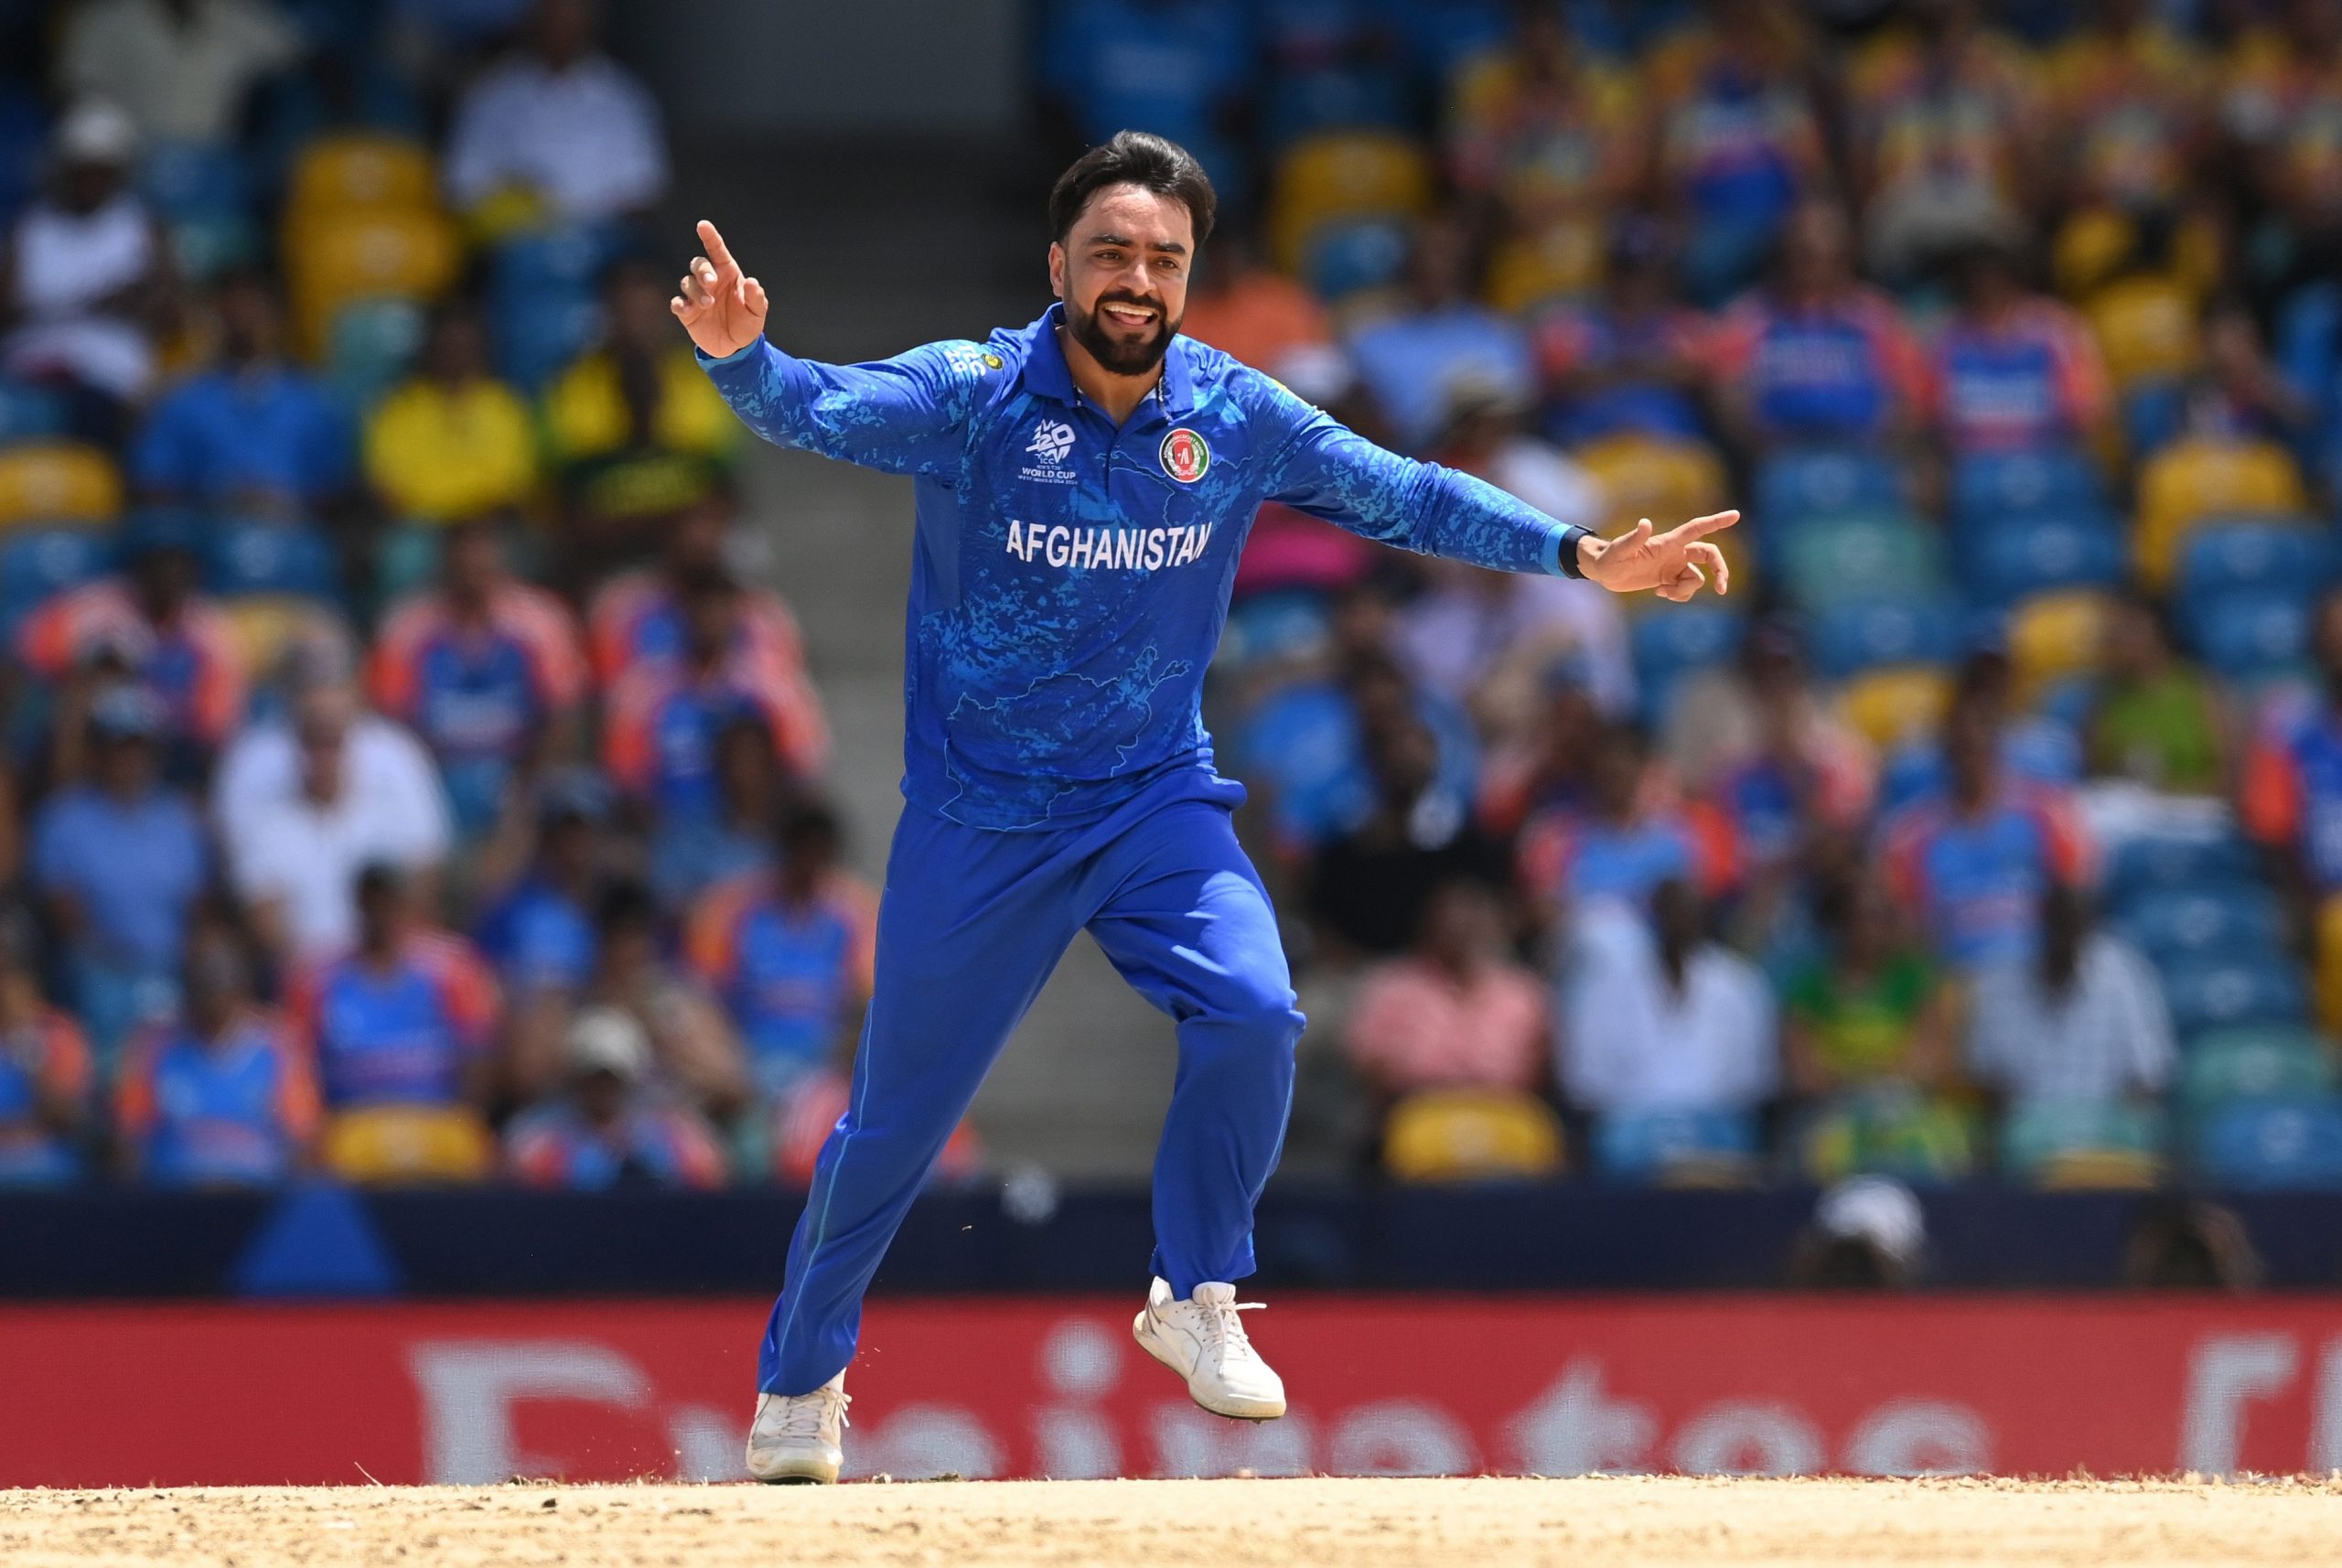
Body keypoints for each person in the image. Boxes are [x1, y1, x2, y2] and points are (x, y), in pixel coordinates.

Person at [666, 129, 1735, 1477]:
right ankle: (797, 1386)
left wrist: (1577, 553)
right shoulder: (978, 395)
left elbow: (1396, 493)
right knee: (893, 1131)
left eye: (1163, 258)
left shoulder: (1229, 414)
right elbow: (815, 405)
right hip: (980, 820)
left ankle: (1197, 1294)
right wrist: (740, 359)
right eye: (1111, 251)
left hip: (1152, 800)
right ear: (1057, 264)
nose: (1136, 277)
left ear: (1190, 280)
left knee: (1257, 1011)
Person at [367, 518, 591, 834]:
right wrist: (426, 788)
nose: (472, 563)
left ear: (501, 556)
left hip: (526, 774)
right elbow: (392, 724)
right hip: (436, 779)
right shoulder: (406, 626)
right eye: (462, 551)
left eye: (483, 550)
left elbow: (565, 717)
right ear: (445, 558)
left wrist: (524, 791)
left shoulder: (542, 620)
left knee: (579, 799)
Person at [30, 688, 209, 1057]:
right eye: (118, 746)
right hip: (100, 967)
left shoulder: (178, 817)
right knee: (103, 996)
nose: (130, 757)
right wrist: (127, 970)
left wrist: (171, 967)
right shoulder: (64, 819)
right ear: (97, 752)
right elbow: (66, 916)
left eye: (139, 745)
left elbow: (196, 908)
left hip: (170, 966)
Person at [222, 678, 453, 963]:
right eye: (314, 742)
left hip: (388, 965)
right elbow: (267, 922)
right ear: (296, 746)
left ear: (350, 743)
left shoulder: (387, 811)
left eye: (332, 742)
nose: (324, 755)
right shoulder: (269, 828)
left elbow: (425, 880)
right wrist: (327, 980)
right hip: (309, 979)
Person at [0, 99, 176, 435]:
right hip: (32, 370)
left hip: (108, 377)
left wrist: (139, 302)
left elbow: (172, 316)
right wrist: (86, 303)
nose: (91, 181)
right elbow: (5, 313)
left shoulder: (141, 227)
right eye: (83, 169)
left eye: (102, 170)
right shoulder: (32, 227)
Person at [17, 509, 246, 765]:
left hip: (173, 749)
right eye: (158, 562)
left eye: (178, 563)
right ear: (138, 565)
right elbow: (31, 659)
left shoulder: (212, 630)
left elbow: (214, 725)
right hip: (95, 737)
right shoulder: (93, 606)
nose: (168, 574)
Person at [684, 803, 877, 1104]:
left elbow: (870, 1002)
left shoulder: (854, 912)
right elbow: (702, 998)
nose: (809, 861)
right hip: (747, 1065)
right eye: (802, 847)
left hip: (826, 1069)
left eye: (819, 850)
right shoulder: (733, 908)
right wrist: (731, 1065)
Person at [1880, 697, 2093, 970]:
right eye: (1962, 748)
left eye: (1977, 747)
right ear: (1947, 754)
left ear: (1995, 749)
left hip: (2036, 968)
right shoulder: (1912, 834)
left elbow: (2074, 892)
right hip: (1958, 974)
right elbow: (1907, 923)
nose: (1970, 759)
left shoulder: (2045, 814)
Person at [130, 266, 354, 519]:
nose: (243, 325)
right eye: (232, 315)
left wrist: (286, 503)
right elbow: (154, 483)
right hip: (208, 536)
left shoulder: (314, 403)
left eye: (253, 313)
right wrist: (218, 500)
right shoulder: (182, 401)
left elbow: (336, 489)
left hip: (295, 536)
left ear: (278, 317)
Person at [114, 920, 319, 1187]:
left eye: (219, 974)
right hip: (173, 1202)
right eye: (200, 975)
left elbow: (303, 1140)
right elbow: (129, 1137)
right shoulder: (153, 1045)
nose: (210, 988)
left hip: (256, 1202)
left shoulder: (280, 1045)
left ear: (243, 981)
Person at [1556, 878, 1778, 1122]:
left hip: (1718, 1119)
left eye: (1687, 910)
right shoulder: (1606, 984)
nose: (1679, 920)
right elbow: (1586, 1078)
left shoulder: (1738, 983)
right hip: (1628, 1121)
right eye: (1671, 910)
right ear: (1655, 914)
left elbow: (1754, 1077)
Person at [286, 864, 500, 1115]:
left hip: (439, 1123)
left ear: (405, 904)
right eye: (373, 903)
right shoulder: (315, 980)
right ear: (359, 905)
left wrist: (465, 1119)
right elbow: (297, 1066)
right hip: (350, 1131)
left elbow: (478, 1054)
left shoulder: (453, 969)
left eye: (389, 903)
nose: (381, 914)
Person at [442, 0, 669, 227]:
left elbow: (644, 188)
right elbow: (461, 184)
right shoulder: (493, 94)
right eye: (551, 15)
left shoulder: (623, 97)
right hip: (514, 238)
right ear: (532, 21)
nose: (560, 26)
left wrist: (578, 222)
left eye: (571, 15)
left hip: (603, 239)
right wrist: (523, 199)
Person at [1343, 878, 1547, 1108]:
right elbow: (1368, 1062)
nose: (1459, 927)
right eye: (1450, 918)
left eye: (1471, 919)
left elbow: (1538, 1066)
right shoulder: (1393, 987)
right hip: (1411, 1112)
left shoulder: (1521, 992)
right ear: (1428, 924)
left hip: (1504, 1115)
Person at [1965, 883, 2175, 1107]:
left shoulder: (2121, 971)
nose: (2062, 937)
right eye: (2055, 926)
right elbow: (1986, 1077)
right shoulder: (2001, 977)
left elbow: (2149, 1075)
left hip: (2107, 1123)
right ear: (2037, 924)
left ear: (2086, 927)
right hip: (2030, 1126)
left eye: (2070, 926)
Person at [1344, 214, 1536, 452]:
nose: (1437, 268)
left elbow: (1518, 406)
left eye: (1448, 259)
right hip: (1408, 458)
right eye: (1428, 258)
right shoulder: (1371, 335)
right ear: (1409, 264)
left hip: (1494, 456)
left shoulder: (1495, 331)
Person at [504, 1006, 728, 1191]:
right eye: (593, 1078)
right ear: (576, 1078)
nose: (603, 1089)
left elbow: (711, 1174)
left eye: (611, 1079)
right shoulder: (541, 1139)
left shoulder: (670, 1135)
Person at [363, 300, 541, 528]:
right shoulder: (397, 409)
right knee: (407, 555)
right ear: (431, 348)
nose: (456, 355)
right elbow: (385, 487)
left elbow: (515, 487)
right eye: (448, 346)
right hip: (421, 526)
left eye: (464, 346)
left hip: (488, 527)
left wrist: (470, 526)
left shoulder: (507, 409)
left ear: (481, 348)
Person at [57, 0, 302, 147]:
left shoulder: (237, 15)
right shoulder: (111, 18)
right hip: (135, 164)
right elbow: (75, 89)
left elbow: (302, 55)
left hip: (219, 161)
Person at [0, 915, 92, 1187]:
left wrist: (25, 1039)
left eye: (10, 972)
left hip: (49, 1184)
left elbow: (67, 1118)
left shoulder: (61, 1033)